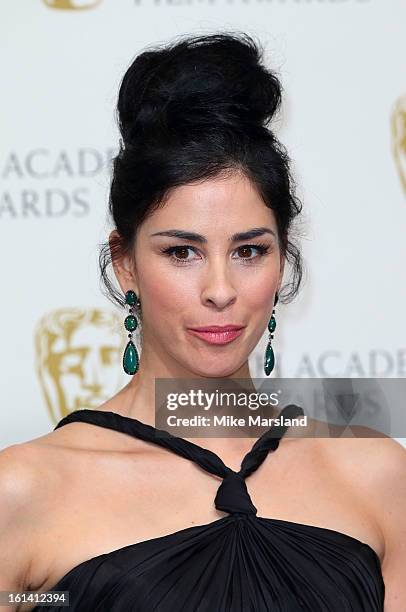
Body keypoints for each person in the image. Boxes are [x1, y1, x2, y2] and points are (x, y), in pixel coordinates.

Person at [0, 32, 405, 612]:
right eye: (181, 252)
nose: (220, 291)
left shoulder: (378, 476)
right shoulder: (23, 492)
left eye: (248, 251)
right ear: (125, 263)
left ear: (283, 259)